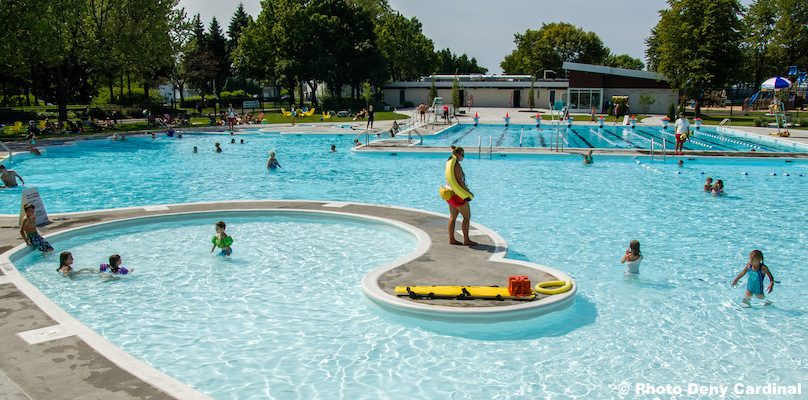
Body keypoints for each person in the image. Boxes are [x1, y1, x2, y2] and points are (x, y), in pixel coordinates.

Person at [444, 146, 477, 246]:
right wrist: (469, 192)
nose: (463, 157)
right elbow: (460, 183)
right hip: (458, 196)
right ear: (457, 154)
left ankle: (452, 239)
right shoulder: (456, 166)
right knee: (467, 217)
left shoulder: (449, 163)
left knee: (452, 217)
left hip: (450, 194)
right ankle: (466, 240)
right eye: (462, 155)